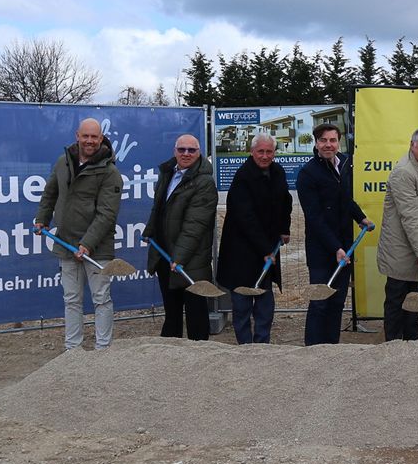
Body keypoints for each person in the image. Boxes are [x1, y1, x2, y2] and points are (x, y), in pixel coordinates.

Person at [34, 118, 123, 351]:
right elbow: (49, 193)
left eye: (94, 137)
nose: (90, 141)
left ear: (101, 138)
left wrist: (88, 244)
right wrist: (42, 218)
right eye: (86, 136)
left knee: (101, 299)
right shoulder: (63, 162)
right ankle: (73, 350)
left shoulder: (110, 172)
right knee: (71, 300)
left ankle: (103, 349)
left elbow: (107, 214)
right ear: (77, 136)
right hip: (65, 243)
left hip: (97, 248)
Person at [298, 123, 370, 345]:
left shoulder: (344, 164)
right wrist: (335, 248)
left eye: (332, 140)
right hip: (322, 249)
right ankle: (313, 348)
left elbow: (345, 198)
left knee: (338, 301)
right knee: (320, 300)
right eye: (323, 140)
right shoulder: (308, 174)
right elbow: (315, 218)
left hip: (344, 246)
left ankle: (331, 347)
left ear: (339, 142)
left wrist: (360, 217)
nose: (328, 145)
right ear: (316, 143)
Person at [217, 134, 292, 344]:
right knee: (241, 303)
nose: (265, 156)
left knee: (265, 301)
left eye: (269, 152)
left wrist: (284, 229)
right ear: (252, 152)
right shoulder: (243, 177)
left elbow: (286, 201)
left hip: (266, 248)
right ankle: (245, 345)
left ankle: (262, 343)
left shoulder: (277, 172)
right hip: (242, 251)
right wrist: (265, 249)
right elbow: (245, 218)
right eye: (261, 151)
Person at [143, 134, 217, 340]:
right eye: (181, 149)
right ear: (175, 151)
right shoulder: (168, 173)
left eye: (191, 150)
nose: (186, 154)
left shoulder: (204, 182)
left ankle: (200, 356)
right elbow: (158, 208)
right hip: (166, 256)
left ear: (199, 152)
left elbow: (196, 225)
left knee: (196, 313)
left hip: (190, 260)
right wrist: (149, 231)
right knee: (172, 311)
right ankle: (172, 359)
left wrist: (179, 257)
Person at [377, 127, 418, 341]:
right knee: (397, 302)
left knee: (415, 300)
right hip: (400, 251)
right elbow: (410, 217)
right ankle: (394, 348)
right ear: (412, 145)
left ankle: (413, 346)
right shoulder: (403, 173)